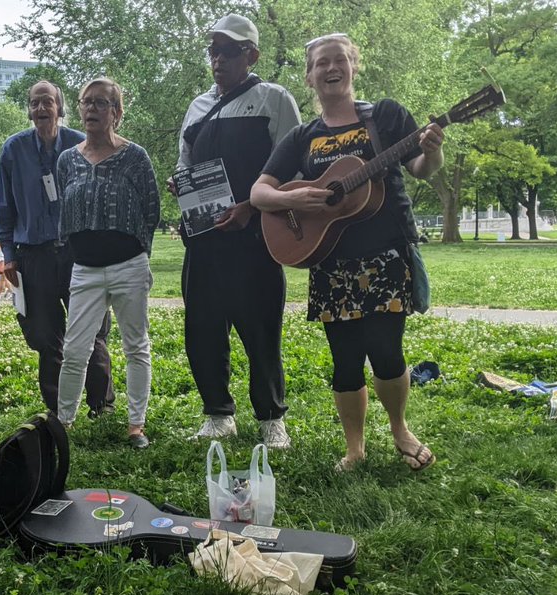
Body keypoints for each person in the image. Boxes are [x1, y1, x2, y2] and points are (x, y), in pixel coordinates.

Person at [250, 34, 443, 472]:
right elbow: (260, 192)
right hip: (330, 261)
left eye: (339, 60)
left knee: (387, 350)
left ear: (354, 67)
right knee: (345, 360)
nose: (331, 68)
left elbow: (421, 169)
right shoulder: (303, 137)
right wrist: (294, 200)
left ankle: (400, 430)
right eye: (321, 63)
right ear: (310, 76)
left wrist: (434, 149)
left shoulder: (387, 117)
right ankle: (354, 448)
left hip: (385, 254)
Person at [173, 14, 302, 449]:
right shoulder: (196, 106)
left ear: (252, 55)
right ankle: (217, 414)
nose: (217, 59)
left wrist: (251, 206)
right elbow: (183, 163)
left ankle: (271, 418)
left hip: (255, 239)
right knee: (204, 328)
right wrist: (180, 183)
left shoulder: (275, 99)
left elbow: (293, 170)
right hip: (205, 240)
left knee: (261, 329)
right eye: (213, 51)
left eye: (227, 51)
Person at [0, 80, 114, 416]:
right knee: (46, 336)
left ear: (61, 108)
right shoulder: (13, 150)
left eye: (48, 102)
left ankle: (101, 404)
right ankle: (59, 409)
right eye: (35, 103)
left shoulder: (83, 144)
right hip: (33, 256)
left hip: (80, 252)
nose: (41, 109)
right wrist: (9, 256)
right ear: (29, 110)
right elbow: (4, 209)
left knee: (91, 329)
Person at [55, 78, 161, 448]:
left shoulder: (135, 157)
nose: (92, 110)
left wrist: (137, 254)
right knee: (74, 349)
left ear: (117, 112)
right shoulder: (67, 159)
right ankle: (62, 424)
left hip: (128, 265)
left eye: (102, 103)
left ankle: (136, 425)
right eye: (86, 102)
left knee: (136, 345)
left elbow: (152, 209)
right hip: (84, 268)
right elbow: (64, 211)